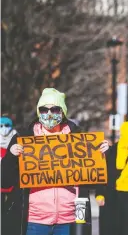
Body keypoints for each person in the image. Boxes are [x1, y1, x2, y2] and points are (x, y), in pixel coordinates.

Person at [1, 88, 110, 235]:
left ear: (63, 112)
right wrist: (11, 156)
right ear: (39, 112)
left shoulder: (78, 139)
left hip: (70, 220)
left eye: (55, 109)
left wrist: (103, 155)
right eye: (44, 109)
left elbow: (94, 179)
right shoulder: (24, 139)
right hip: (34, 220)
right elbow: (4, 181)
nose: (49, 114)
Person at [0, 116, 17, 232]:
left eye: (7, 125)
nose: (4, 129)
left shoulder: (17, 141)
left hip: (13, 189)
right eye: (1, 126)